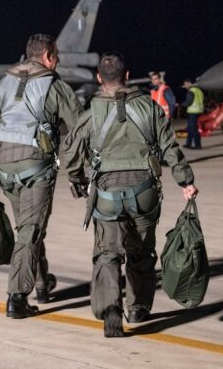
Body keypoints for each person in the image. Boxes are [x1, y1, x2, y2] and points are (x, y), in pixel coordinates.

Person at [62, 52, 198, 338]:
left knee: (108, 254)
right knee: (142, 252)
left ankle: (111, 309)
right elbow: (170, 146)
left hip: (107, 193)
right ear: (127, 76)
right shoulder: (150, 108)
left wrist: (77, 179)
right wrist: (185, 181)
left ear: (99, 79)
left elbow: (71, 152)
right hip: (144, 190)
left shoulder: (91, 113)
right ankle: (138, 308)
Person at [0, 33, 82, 319]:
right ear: (47, 56)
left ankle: (43, 283)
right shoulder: (54, 85)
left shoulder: (4, 83)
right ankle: (17, 296)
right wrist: (77, 171)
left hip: (5, 168)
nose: (56, 63)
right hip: (36, 168)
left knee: (28, 228)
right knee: (31, 230)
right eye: (55, 57)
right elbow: (79, 130)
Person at [181, 79, 204, 149]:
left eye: (185, 84)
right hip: (198, 111)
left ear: (189, 83)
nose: (185, 86)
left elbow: (188, 102)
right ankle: (188, 143)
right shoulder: (199, 91)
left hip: (193, 111)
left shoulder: (191, 91)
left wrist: (181, 105)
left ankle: (198, 145)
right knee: (190, 128)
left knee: (193, 129)